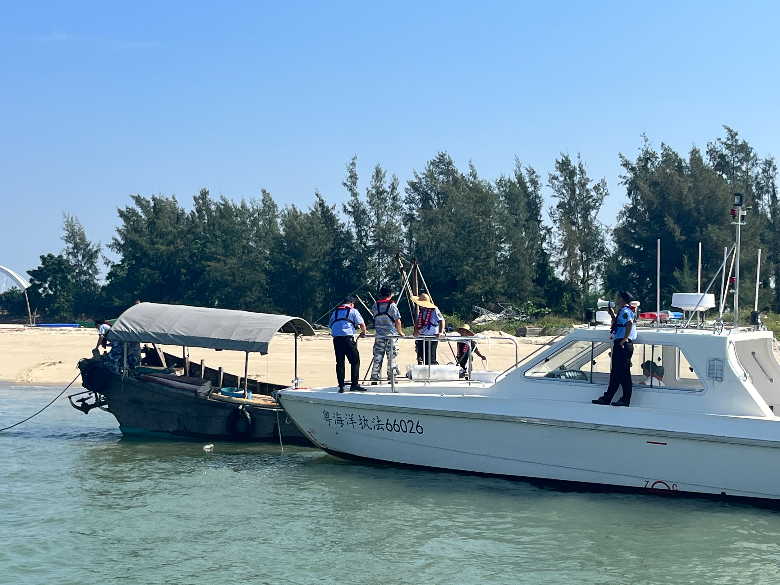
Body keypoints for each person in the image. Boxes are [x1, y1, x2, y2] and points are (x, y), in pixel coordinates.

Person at [592, 291, 637, 407]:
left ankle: (625, 399)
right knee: (616, 373)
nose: (616, 300)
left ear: (621, 299)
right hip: (621, 343)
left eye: (618, 298)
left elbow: (629, 323)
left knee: (623, 374)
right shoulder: (624, 311)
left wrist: (624, 339)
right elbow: (619, 324)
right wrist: (612, 315)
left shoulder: (625, 311)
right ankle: (607, 398)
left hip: (622, 344)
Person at [329, 296, 367, 392]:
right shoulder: (353, 311)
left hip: (337, 340)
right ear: (351, 303)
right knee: (355, 361)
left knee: (340, 362)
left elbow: (331, 325)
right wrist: (363, 332)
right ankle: (354, 384)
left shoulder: (335, 312)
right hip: (348, 339)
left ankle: (341, 386)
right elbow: (362, 324)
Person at [370, 285, 404, 384]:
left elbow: (375, 317)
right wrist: (400, 332)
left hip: (379, 335)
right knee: (392, 357)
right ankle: (391, 377)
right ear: (390, 294)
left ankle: (374, 377)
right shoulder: (392, 305)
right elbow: (397, 320)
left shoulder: (375, 305)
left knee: (378, 357)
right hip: (391, 335)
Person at [412, 293, 444, 365]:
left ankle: (431, 371)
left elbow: (442, 320)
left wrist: (440, 332)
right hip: (422, 336)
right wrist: (415, 331)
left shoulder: (434, 310)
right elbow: (417, 322)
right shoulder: (421, 311)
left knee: (431, 357)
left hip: (432, 336)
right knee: (420, 356)